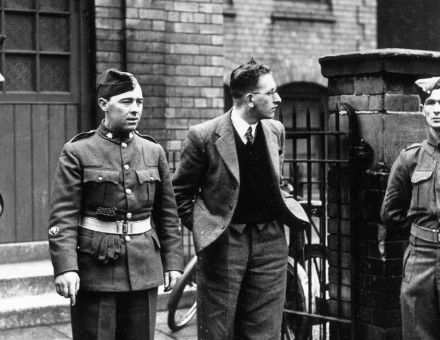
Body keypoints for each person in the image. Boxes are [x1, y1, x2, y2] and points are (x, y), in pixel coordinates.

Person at [172, 59, 309, 340]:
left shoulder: (275, 131)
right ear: (250, 98)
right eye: (270, 92)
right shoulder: (204, 136)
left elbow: (276, 182)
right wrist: (207, 228)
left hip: (270, 241)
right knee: (218, 329)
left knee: (265, 330)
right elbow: (181, 194)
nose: (278, 98)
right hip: (224, 243)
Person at [48, 68, 184, 340]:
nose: (135, 109)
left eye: (139, 102)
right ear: (103, 105)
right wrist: (66, 267)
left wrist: (173, 262)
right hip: (96, 268)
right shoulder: (78, 151)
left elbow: (167, 214)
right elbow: (64, 216)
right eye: (126, 102)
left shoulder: (152, 151)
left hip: (144, 267)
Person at [381, 76, 440, 339]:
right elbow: (391, 212)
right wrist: (421, 233)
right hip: (422, 258)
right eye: (431, 102)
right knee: (418, 332)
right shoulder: (410, 159)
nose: (437, 109)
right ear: (422, 109)